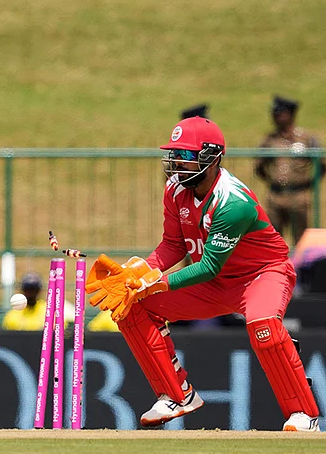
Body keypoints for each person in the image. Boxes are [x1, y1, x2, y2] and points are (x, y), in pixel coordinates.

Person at [85, 116, 320, 432]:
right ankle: (177, 394)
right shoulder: (175, 190)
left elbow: (209, 264)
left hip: (262, 274)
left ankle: (305, 415)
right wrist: (138, 272)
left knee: (262, 323)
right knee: (131, 305)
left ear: (211, 157)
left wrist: (156, 283)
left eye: (185, 156)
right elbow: (173, 245)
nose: (176, 164)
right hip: (215, 283)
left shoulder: (232, 201)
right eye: (175, 155)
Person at [254, 95, 326, 246]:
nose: (276, 117)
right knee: (272, 239)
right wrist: (271, 180)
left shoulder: (306, 138)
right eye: (274, 114)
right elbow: (259, 166)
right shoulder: (270, 140)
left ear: (291, 114)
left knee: (301, 240)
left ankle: (301, 269)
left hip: (299, 196)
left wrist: (309, 183)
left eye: (280, 113)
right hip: (275, 196)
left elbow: (321, 163)